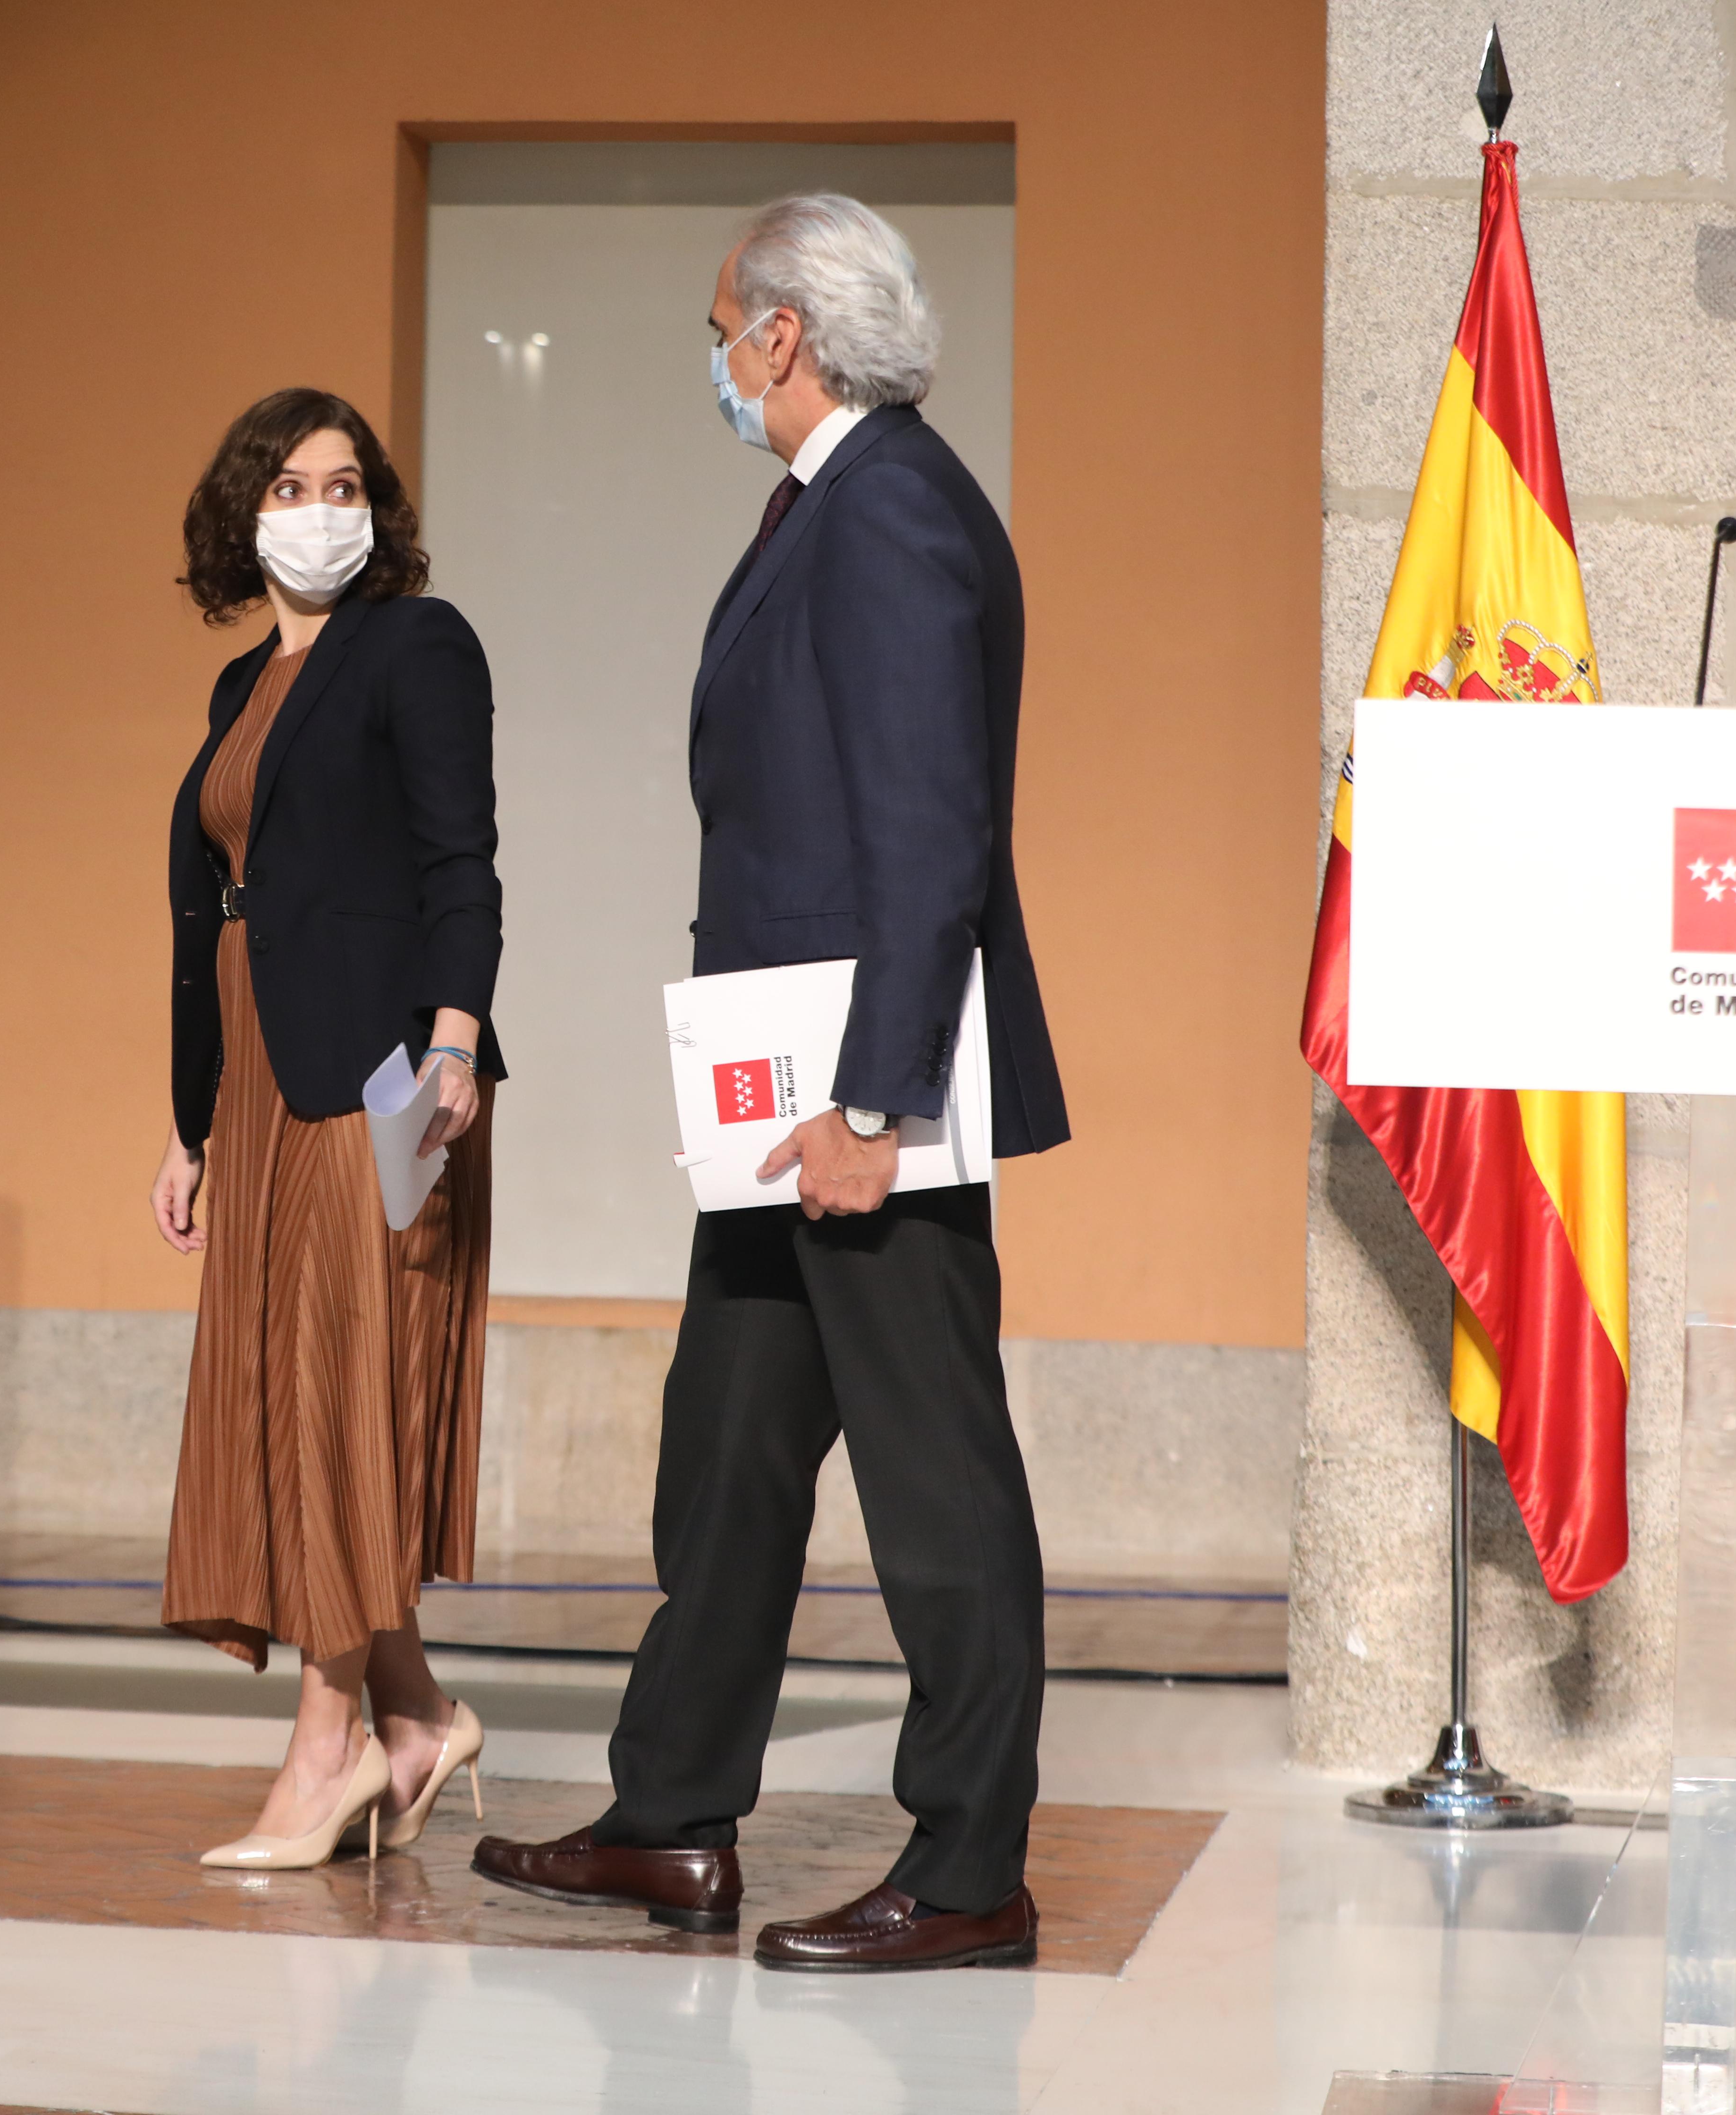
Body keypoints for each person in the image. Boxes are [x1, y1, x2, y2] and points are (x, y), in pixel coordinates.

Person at [471, 196, 1069, 1969]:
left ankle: (970, 1871)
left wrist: (874, 1107)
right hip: (779, 1100)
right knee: (726, 1453)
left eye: (724, 326)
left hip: (859, 1097)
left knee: (936, 1481)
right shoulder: (843, 498)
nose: (719, 359)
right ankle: (673, 1821)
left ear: (786, 335)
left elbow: (927, 828)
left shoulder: (887, 508)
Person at [151, 388, 504, 1869]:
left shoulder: (417, 644)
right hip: (259, 1087)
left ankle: (326, 1753)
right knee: (295, 1411)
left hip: (381, 1081)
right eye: (288, 486)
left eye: (342, 481)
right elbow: (209, 917)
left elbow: (461, 857)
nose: (318, 508)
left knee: (346, 1403)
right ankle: (417, 1717)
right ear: (245, 514)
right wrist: (189, 1126)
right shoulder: (243, 689)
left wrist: (456, 1033)